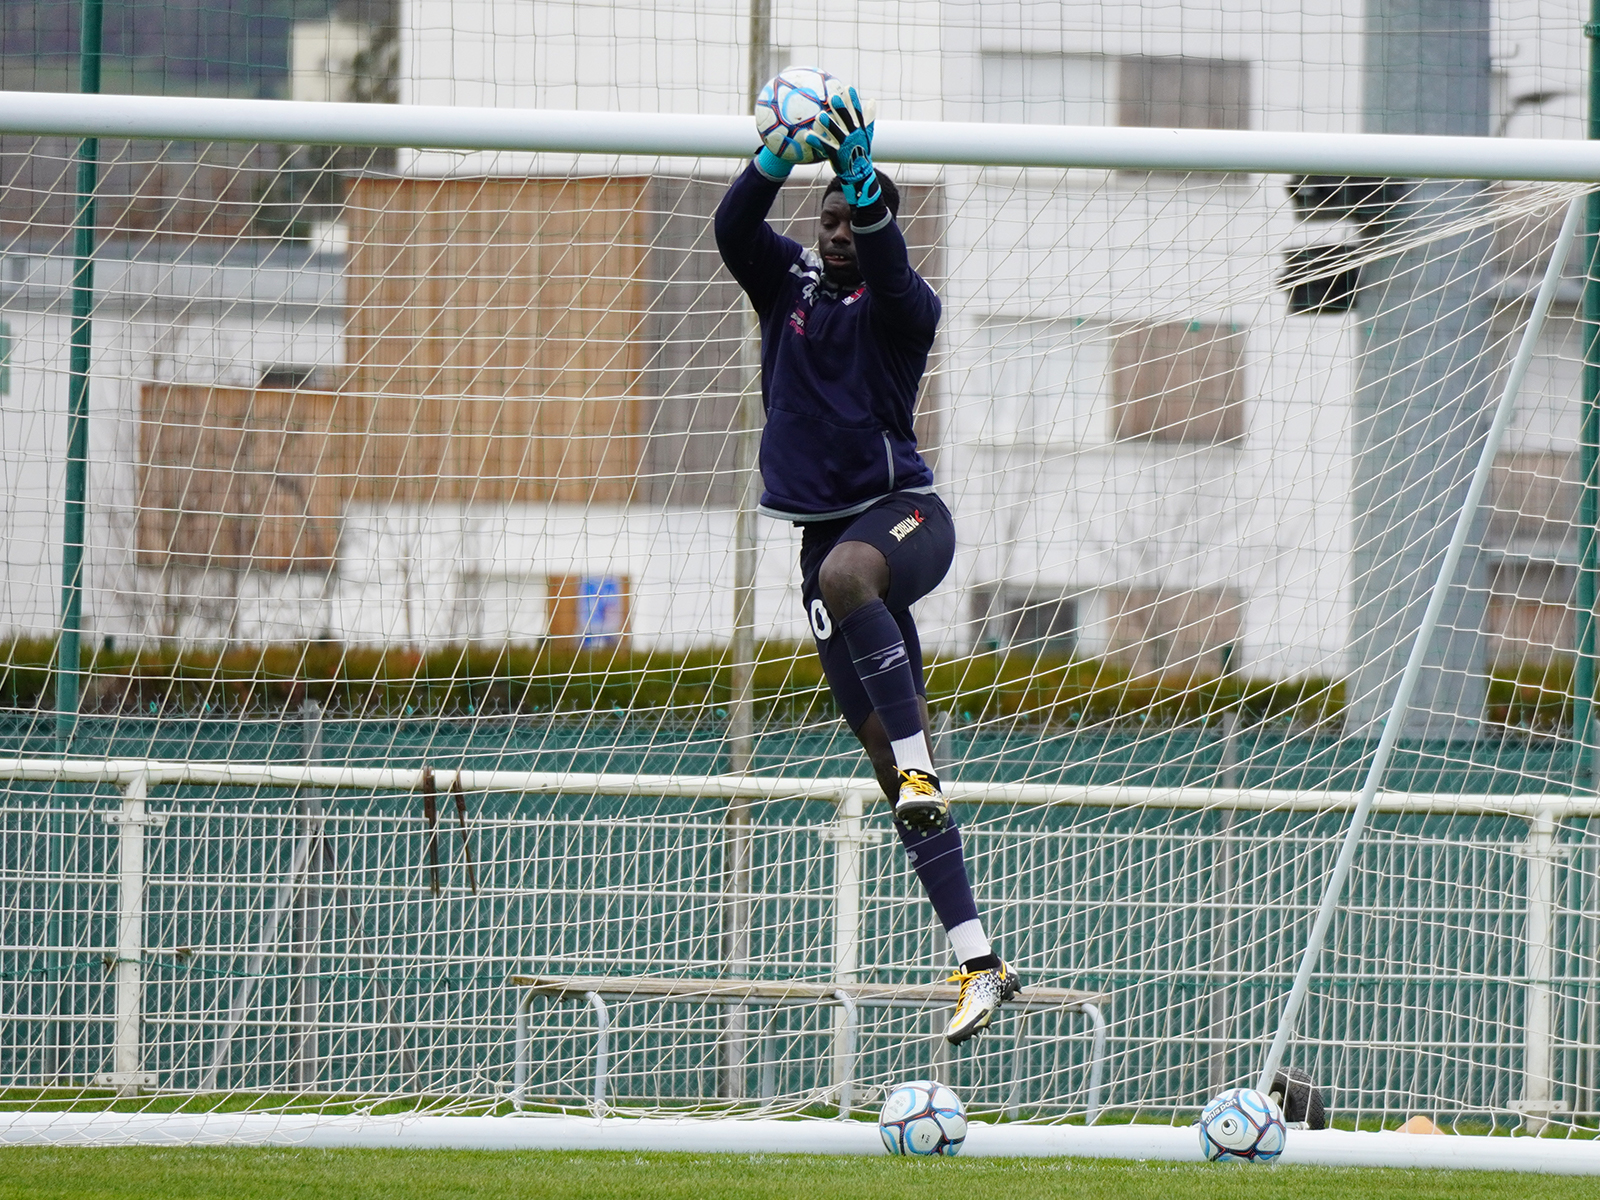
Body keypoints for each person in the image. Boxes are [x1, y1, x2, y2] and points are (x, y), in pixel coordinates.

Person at [714, 83, 1020, 1044]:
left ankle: (925, 766)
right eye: (830, 217)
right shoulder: (789, 284)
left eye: (855, 216)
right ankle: (979, 961)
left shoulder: (905, 306)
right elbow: (732, 231)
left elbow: (889, 261)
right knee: (893, 770)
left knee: (852, 578)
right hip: (822, 547)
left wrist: (862, 179)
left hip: (902, 521)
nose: (839, 231)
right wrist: (773, 159)